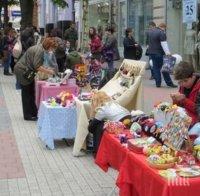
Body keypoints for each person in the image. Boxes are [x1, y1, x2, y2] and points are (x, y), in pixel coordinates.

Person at [14, 37, 57, 121]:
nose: (53, 50)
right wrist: (49, 72)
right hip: (23, 71)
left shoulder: (39, 48)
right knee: (27, 93)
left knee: (31, 92)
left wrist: (48, 69)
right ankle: (28, 115)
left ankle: (34, 113)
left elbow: (37, 64)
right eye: (52, 48)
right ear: (48, 46)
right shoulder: (40, 51)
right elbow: (37, 66)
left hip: (26, 71)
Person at [170, 61, 200, 125]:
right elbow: (179, 107)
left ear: (193, 76)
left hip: (196, 124)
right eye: (180, 82)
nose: (183, 84)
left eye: (185, 81)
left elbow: (198, 110)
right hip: (185, 119)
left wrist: (184, 100)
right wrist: (175, 100)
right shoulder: (183, 85)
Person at [148, 23, 177, 88]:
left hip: (151, 52)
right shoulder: (161, 33)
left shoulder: (151, 32)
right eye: (165, 28)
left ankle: (158, 83)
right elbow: (164, 44)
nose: (165, 30)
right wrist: (168, 53)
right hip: (159, 53)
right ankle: (169, 83)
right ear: (163, 27)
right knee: (165, 68)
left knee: (155, 68)